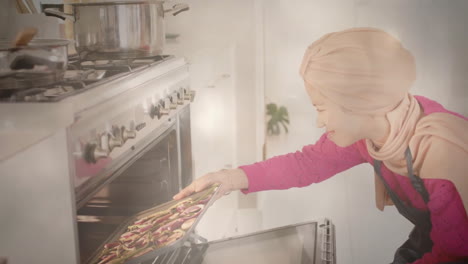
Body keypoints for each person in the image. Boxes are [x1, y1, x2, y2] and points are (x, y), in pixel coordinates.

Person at [173, 28, 468, 264]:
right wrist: (229, 179)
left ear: (358, 101)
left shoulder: (439, 153)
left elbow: (454, 253)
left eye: (321, 107)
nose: (318, 121)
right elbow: (307, 163)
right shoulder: (371, 131)